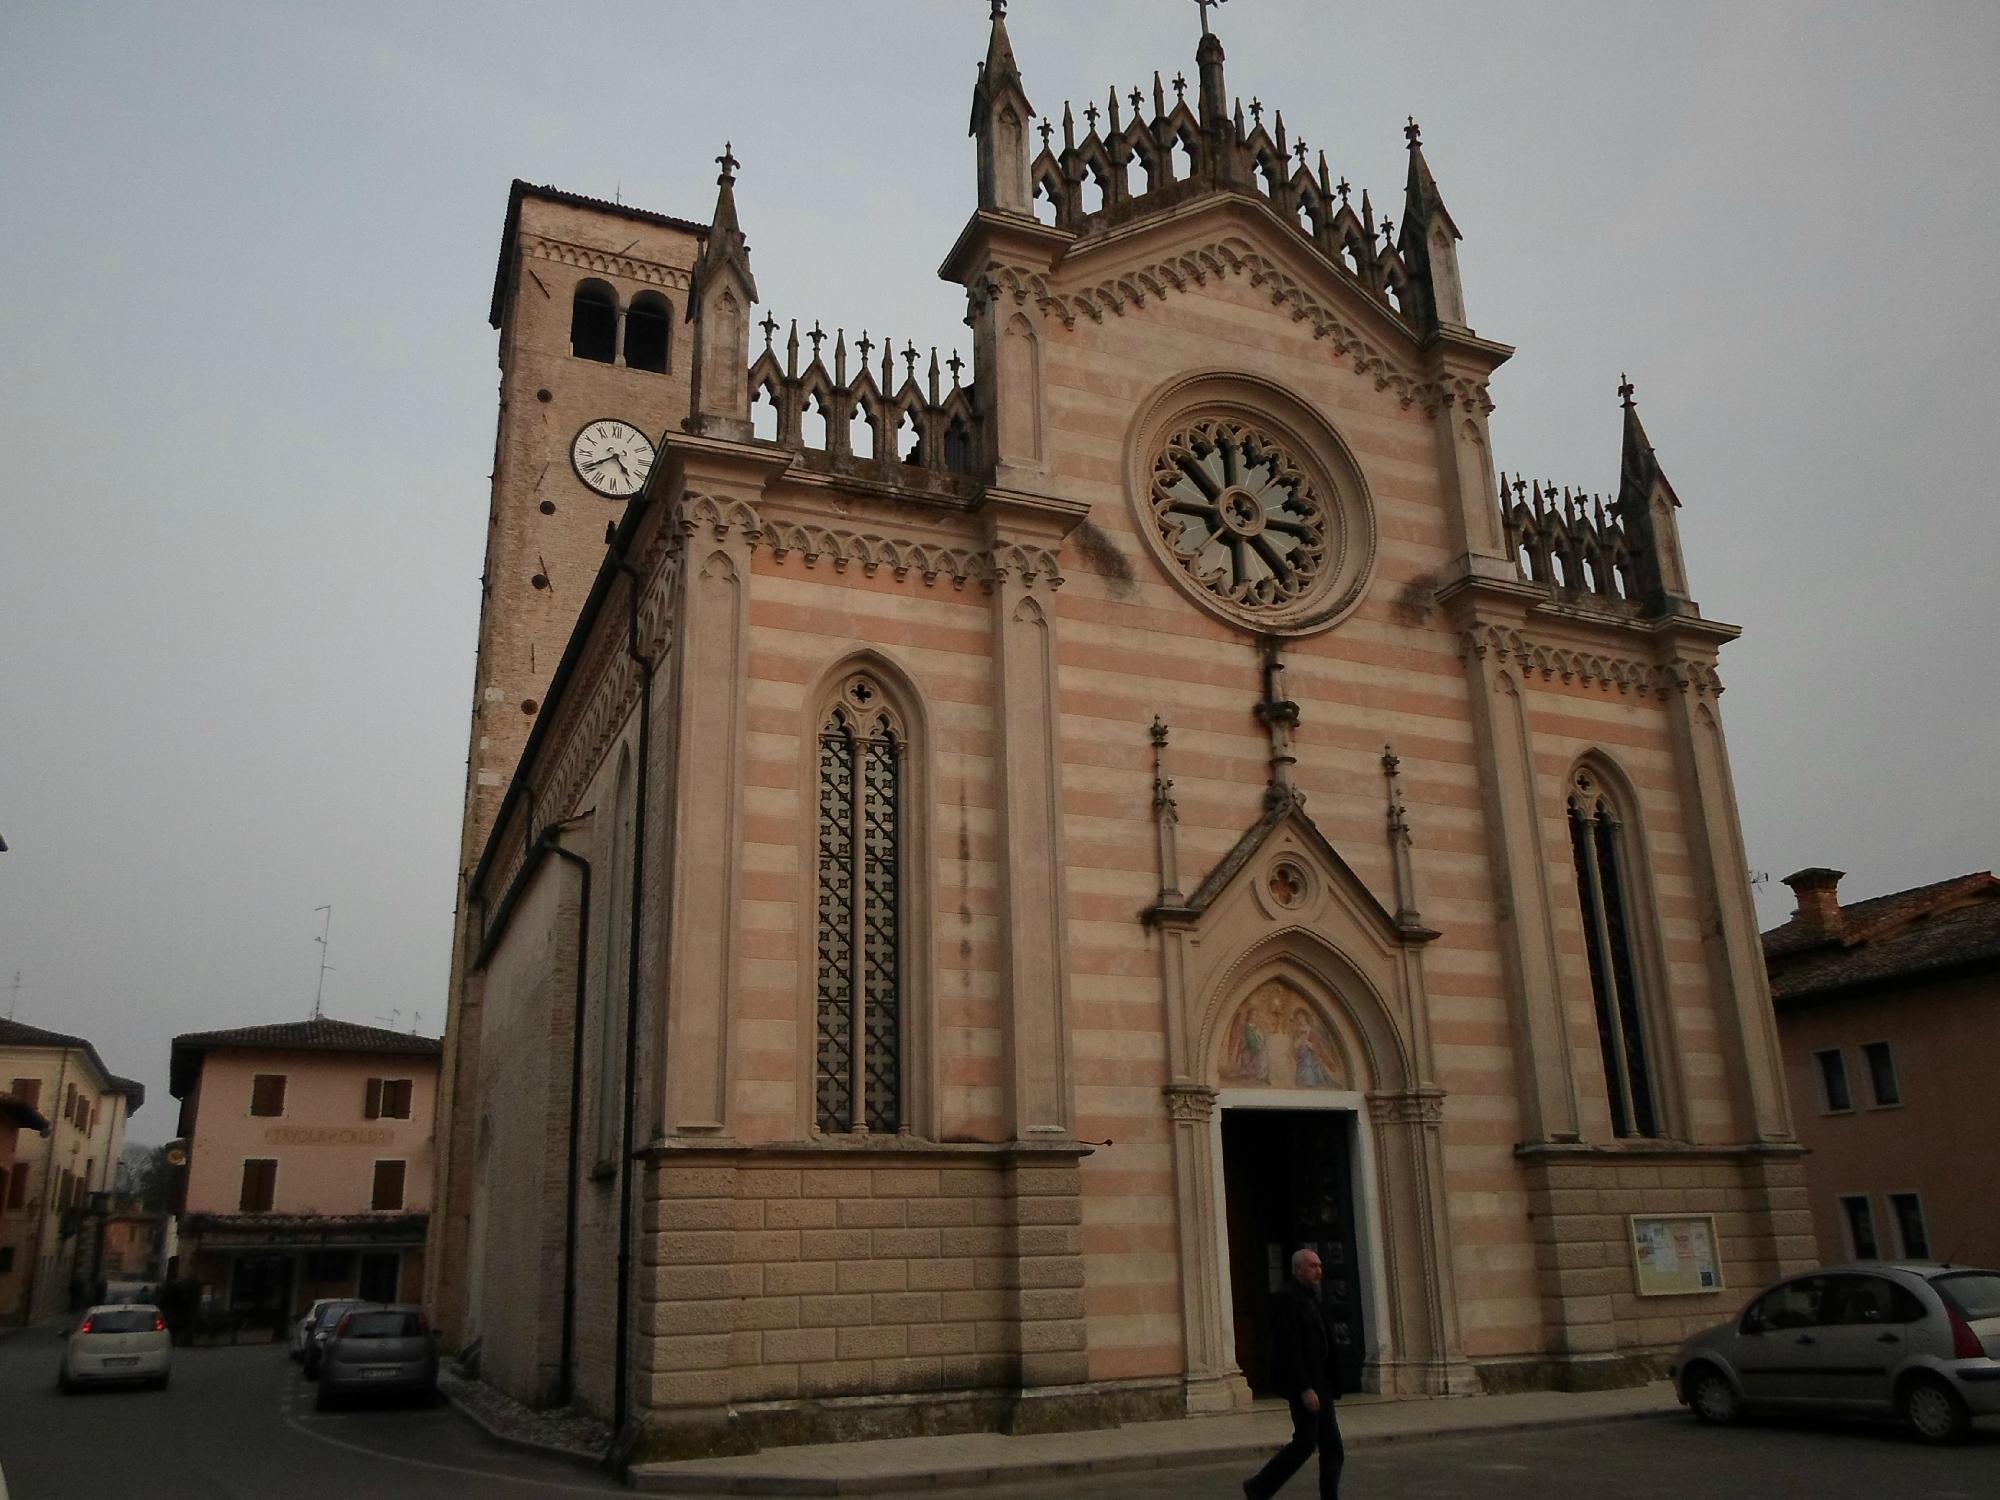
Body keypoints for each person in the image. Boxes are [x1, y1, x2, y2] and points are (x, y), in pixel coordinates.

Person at [1244, 1246, 1344, 1500]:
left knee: (1331, 1446)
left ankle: (1326, 1496)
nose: (1319, 1271)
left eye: (1320, 1265)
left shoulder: (1316, 1296)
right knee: (1306, 1442)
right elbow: (1289, 1347)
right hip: (1306, 1384)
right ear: (1298, 1269)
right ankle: (1258, 1486)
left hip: (1322, 1381)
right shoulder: (1286, 1298)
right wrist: (1304, 1388)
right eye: (1313, 1266)